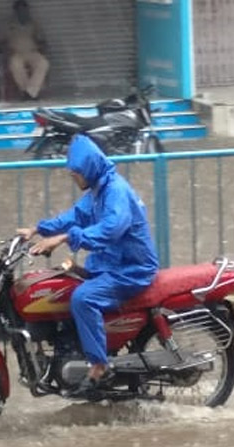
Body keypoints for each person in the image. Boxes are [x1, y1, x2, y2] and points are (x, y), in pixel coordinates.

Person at [17, 134, 159, 395]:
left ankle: (99, 366)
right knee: (63, 284)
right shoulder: (97, 190)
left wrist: (64, 238)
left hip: (130, 269)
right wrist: (37, 229)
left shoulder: (115, 191)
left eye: (76, 174)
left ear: (89, 169)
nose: (74, 178)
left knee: (83, 298)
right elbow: (74, 216)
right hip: (107, 265)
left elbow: (110, 230)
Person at [0, 0, 49, 101]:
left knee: (43, 63)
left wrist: (42, 47)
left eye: (25, 10)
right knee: (15, 65)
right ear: (15, 11)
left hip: (32, 52)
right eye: (20, 10)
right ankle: (26, 91)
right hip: (15, 52)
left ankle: (30, 92)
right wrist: (6, 50)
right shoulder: (6, 24)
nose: (23, 12)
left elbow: (41, 39)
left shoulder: (33, 23)